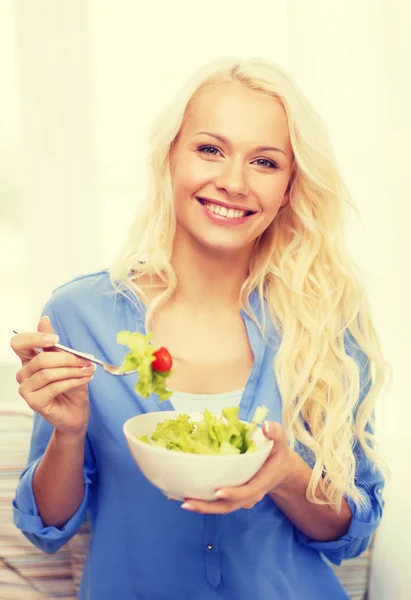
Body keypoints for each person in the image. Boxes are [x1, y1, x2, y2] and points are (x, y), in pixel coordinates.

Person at [11, 57, 387, 600]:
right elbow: (46, 526)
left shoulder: (328, 319)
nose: (232, 182)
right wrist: (68, 433)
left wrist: (283, 473)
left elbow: (349, 533)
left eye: (264, 161)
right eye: (210, 149)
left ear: (288, 188)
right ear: (170, 159)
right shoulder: (81, 315)